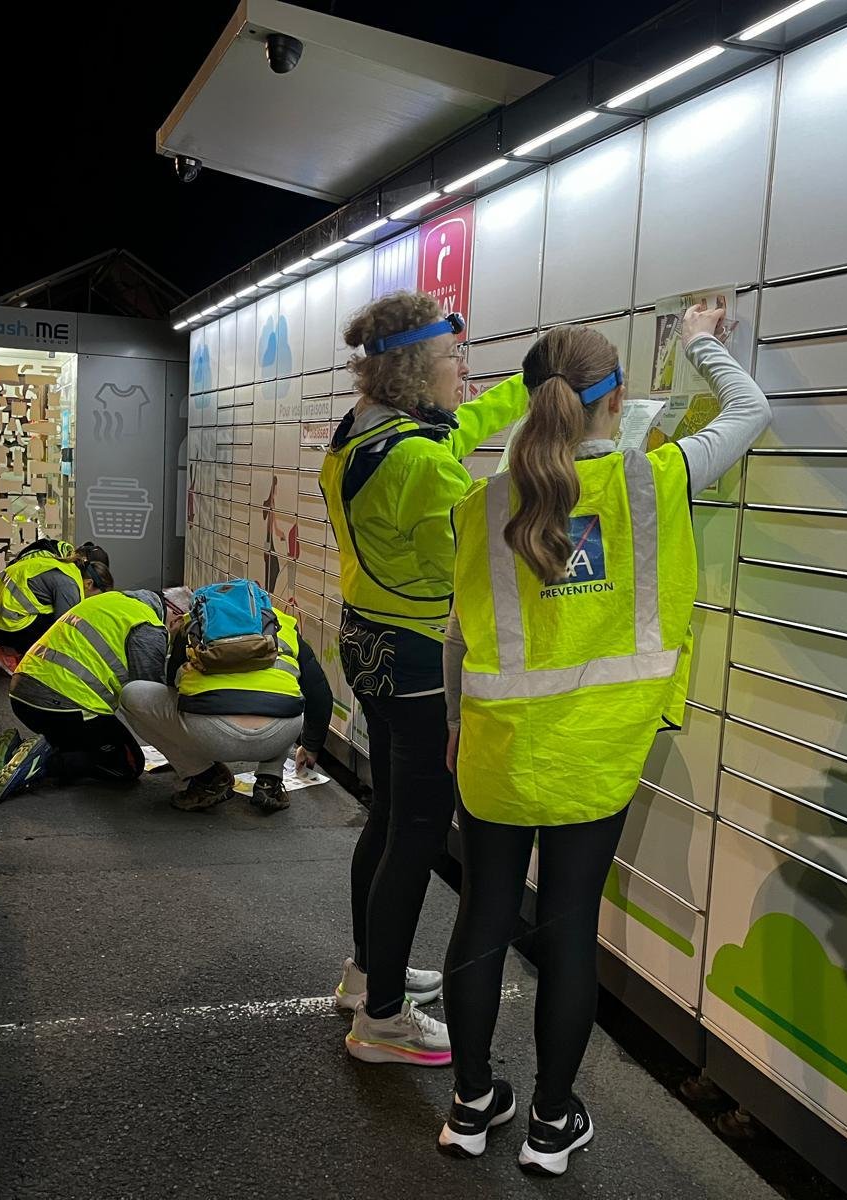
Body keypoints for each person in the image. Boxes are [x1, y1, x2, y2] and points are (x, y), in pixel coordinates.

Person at [436, 305, 770, 1174]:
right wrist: (699, 338)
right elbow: (752, 411)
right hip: (598, 752)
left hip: (497, 751)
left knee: (482, 917)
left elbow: (458, 636)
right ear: (615, 399)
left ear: (531, 400)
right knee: (569, 928)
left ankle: (469, 1107)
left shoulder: (483, 504)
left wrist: (454, 726)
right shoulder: (655, 479)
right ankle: (551, 1124)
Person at [319, 289, 529, 1066]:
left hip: (369, 646)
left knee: (387, 817)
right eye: (451, 358)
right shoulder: (420, 465)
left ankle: (366, 974)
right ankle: (382, 1021)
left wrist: (531, 385)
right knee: (414, 833)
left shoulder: (364, 430)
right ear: (414, 369)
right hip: (417, 664)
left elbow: (459, 427)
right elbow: (470, 572)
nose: (462, 372)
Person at [116, 579, 333, 813]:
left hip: (209, 734)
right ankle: (270, 781)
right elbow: (319, 694)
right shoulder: (283, 624)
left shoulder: (194, 622)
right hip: (279, 734)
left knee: (131, 694)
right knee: (285, 694)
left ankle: (206, 778)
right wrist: (310, 746)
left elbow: (172, 685)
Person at [0, 585, 169, 804]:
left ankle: (12, 753)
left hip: (21, 694)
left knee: (80, 743)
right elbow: (149, 695)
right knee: (129, 764)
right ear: (173, 615)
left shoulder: (111, 601)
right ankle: (45, 763)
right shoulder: (148, 626)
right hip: (65, 705)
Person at [0, 540, 112, 673]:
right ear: (89, 583)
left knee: (51, 615)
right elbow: (65, 632)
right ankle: (12, 657)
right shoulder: (68, 584)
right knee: (60, 627)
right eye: (95, 597)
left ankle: (6, 652)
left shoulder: (60, 565)